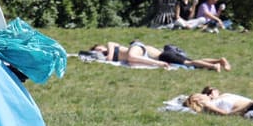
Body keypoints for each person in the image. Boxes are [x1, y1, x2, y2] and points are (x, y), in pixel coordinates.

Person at [81, 40, 230, 71]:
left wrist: (102, 54)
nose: (98, 51)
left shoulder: (109, 46)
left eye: (97, 49)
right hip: (158, 55)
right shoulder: (108, 53)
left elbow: (110, 48)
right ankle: (218, 60)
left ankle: (213, 65)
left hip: (140, 50)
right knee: (190, 61)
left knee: (189, 63)